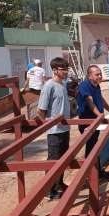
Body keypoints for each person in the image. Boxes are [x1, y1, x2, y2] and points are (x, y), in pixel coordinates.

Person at [37, 57, 71, 200]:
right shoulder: (48, 86)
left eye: (66, 69)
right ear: (55, 70)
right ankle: (48, 190)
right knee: (53, 159)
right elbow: (40, 111)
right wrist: (48, 126)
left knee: (63, 159)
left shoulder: (62, 84)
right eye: (63, 69)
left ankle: (59, 184)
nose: (66, 72)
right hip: (55, 131)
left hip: (65, 128)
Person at [77, 65, 109, 178]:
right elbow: (89, 101)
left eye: (100, 74)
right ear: (89, 76)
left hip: (96, 121)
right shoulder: (84, 86)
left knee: (94, 147)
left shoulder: (96, 86)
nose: (100, 76)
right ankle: (91, 174)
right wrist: (100, 115)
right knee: (91, 148)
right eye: (97, 74)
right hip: (87, 122)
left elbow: (100, 98)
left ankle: (96, 172)